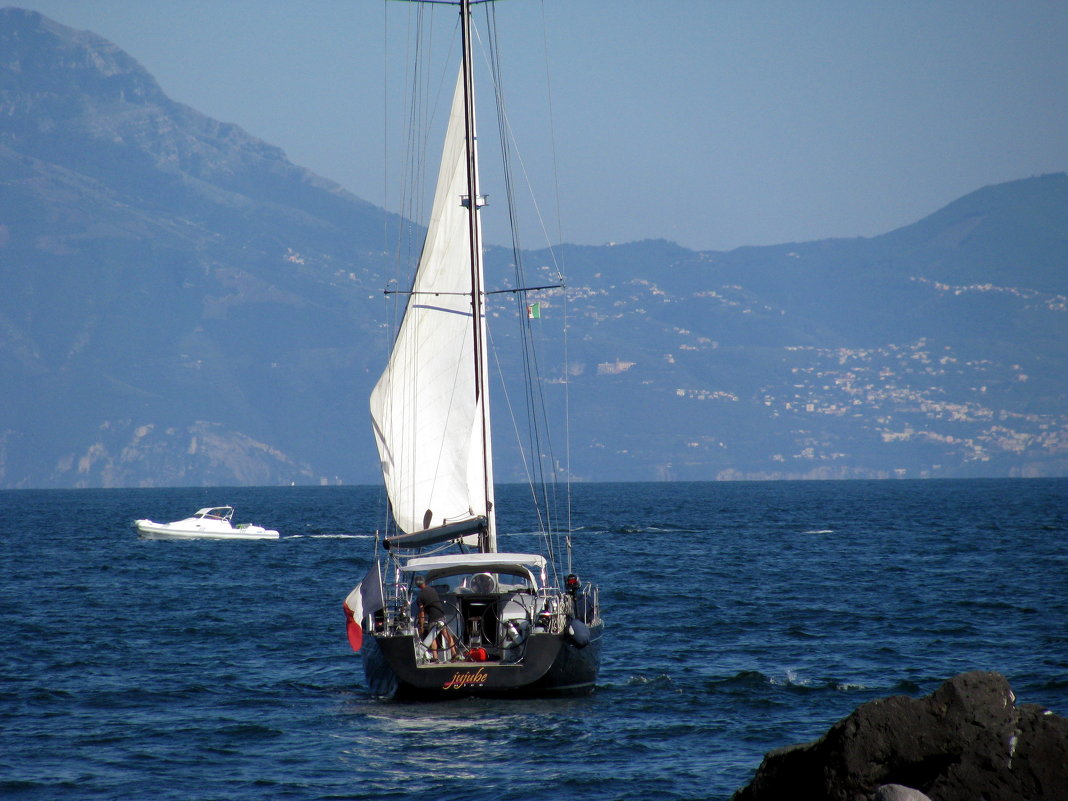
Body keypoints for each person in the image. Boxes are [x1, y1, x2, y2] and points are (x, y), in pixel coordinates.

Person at [415, 575, 459, 662]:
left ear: (417, 585)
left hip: (432, 617)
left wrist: (422, 626)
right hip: (441, 614)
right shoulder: (433, 590)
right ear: (424, 582)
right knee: (446, 635)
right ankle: (454, 653)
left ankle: (435, 657)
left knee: (432, 637)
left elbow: (422, 613)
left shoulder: (420, 597)